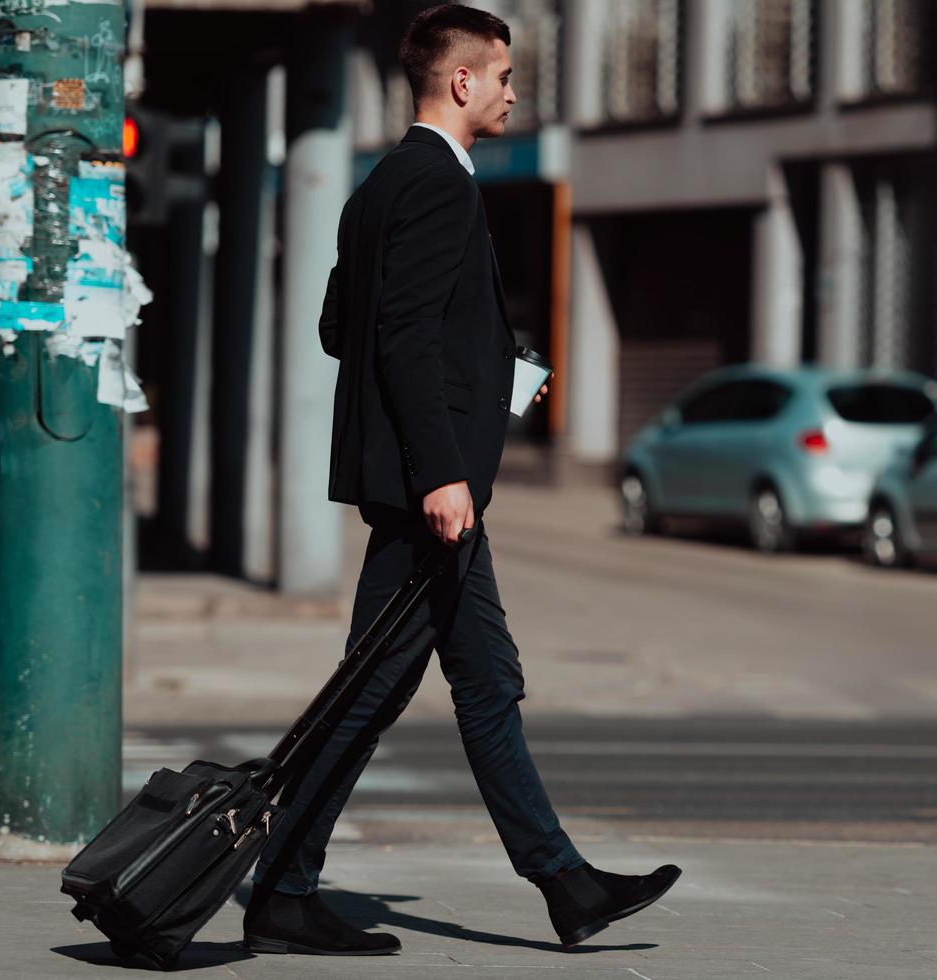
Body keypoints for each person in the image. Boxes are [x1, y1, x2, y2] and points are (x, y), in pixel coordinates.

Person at [243, 5, 680, 955]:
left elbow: (342, 329)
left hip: (413, 487)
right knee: (404, 689)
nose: (515, 90)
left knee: (469, 682)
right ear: (462, 81)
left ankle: (561, 885)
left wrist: (484, 364)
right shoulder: (438, 185)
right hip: (428, 494)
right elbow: (397, 334)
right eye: (506, 75)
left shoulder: (377, 186)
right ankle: (286, 884)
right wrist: (444, 471)